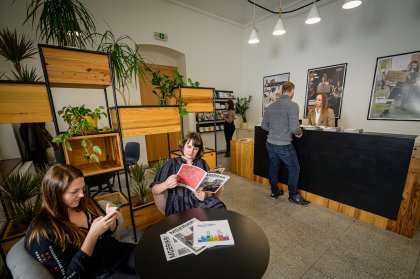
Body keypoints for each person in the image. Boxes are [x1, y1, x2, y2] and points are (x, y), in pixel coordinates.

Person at [25, 163, 137, 279]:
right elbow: (70, 276)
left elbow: (107, 234)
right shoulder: (43, 231)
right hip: (97, 272)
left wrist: (110, 221)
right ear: (55, 193)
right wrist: (92, 236)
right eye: (74, 191)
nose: (82, 194)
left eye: (82, 188)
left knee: (153, 257)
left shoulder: (85, 203)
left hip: (115, 252)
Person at [151, 132, 226, 216]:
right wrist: (166, 184)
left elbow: (209, 187)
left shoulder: (202, 163)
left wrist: (206, 195)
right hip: (178, 204)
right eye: (189, 146)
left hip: (198, 201)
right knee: (187, 221)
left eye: (195, 148)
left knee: (220, 208)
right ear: (183, 145)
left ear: (199, 150)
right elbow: (154, 189)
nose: (191, 151)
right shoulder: (172, 163)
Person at [261, 81, 309, 206]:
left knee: (273, 167)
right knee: (295, 168)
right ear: (292, 90)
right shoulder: (292, 105)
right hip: (283, 145)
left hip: (270, 143)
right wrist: (299, 133)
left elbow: (263, 125)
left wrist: (275, 131)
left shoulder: (271, 106)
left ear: (282, 90)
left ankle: (274, 192)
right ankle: (293, 196)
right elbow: (294, 128)